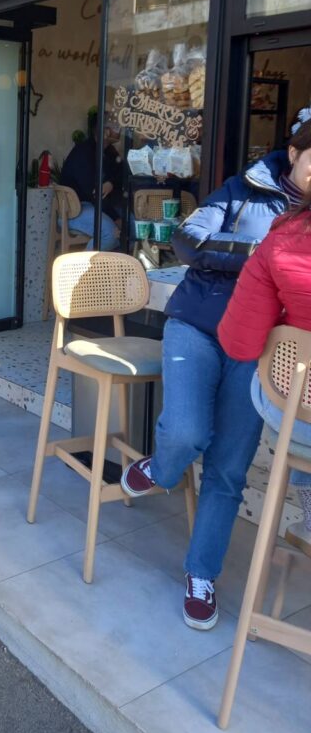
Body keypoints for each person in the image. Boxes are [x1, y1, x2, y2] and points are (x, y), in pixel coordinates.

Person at [120, 117, 311, 630]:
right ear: (295, 152)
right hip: (199, 324)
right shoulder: (245, 189)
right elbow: (188, 241)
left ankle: (200, 574)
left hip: (262, 352)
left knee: (228, 468)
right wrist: (261, 255)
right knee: (186, 432)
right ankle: (161, 470)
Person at [218, 130, 311, 559]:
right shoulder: (241, 189)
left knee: (277, 390)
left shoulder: (284, 236)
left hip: (297, 416)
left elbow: (240, 342)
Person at [59, 111, 122, 250]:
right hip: (75, 209)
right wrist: (116, 218)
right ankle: (85, 264)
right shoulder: (84, 152)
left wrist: (111, 183)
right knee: (111, 234)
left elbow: (120, 175)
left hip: (96, 205)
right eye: (116, 126)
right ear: (105, 131)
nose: (120, 129)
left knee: (132, 227)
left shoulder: (109, 151)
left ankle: (115, 263)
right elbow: (94, 192)